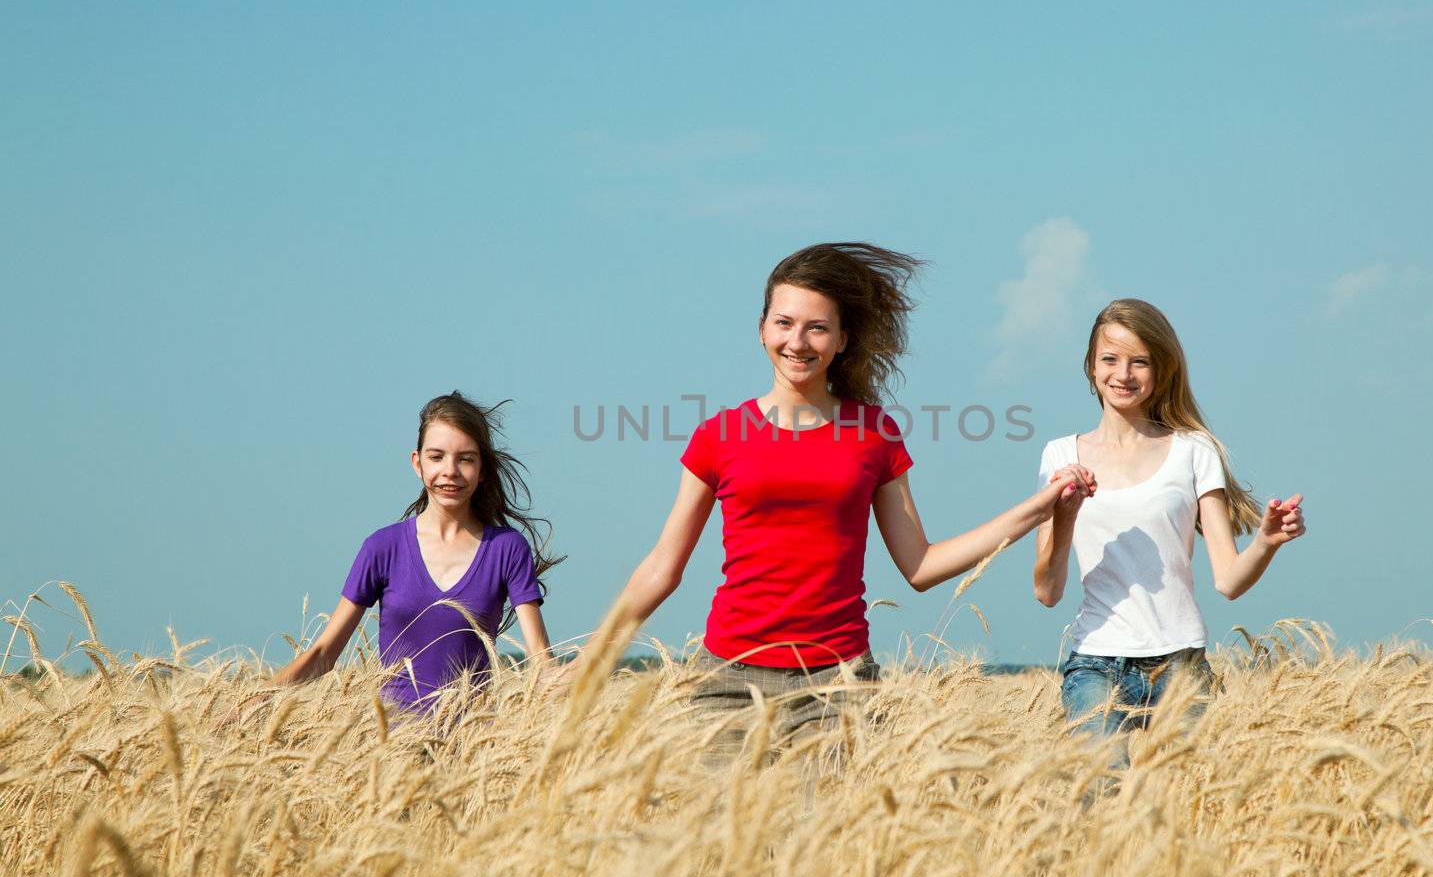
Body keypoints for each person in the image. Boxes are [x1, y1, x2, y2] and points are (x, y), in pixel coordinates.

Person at [573, 242, 1079, 761]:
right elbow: (663, 566)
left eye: (817, 328)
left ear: (841, 340)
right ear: (762, 328)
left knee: (831, 844)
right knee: (721, 844)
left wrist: (1037, 509)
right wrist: (593, 657)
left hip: (837, 686)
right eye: (784, 323)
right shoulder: (718, 436)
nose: (798, 341)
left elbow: (921, 565)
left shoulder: (874, 434)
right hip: (727, 682)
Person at [1033, 298, 1306, 778]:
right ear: (1090, 367)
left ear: (1162, 370)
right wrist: (1065, 515)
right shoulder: (1060, 456)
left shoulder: (1194, 451)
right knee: (1100, 800)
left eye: (1140, 361)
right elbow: (1047, 590)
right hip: (1096, 663)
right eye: (1110, 359)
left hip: (1181, 663)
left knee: (1185, 805)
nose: (1124, 373)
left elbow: (1229, 580)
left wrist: (1266, 541)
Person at [238, 392, 561, 718]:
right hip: (394, 756)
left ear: (483, 470)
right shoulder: (382, 548)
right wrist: (251, 704)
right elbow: (324, 654)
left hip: (471, 754)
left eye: (465, 458)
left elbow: (540, 663)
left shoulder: (507, 549)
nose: (450, 470)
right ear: (417, 463)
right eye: (437, 457)